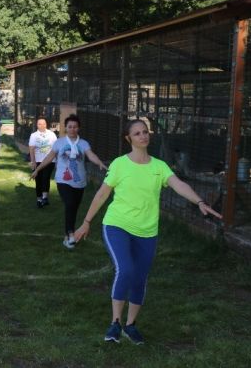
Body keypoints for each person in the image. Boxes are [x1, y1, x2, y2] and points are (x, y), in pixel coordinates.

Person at [74, 119, 222, 345]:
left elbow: (179, 185)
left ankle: (130, 325)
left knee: (140, 277)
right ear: (129, 139)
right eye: (137, 133)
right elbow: (102, 194)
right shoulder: (120, 164)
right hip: (117, 224)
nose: (143, 136)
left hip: (147, 231)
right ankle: (115, 322)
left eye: (145, 132)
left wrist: (199, 201)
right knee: (126, 269)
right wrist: (86, 222)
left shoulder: (159, 167)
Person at [31, 114, 107, 248]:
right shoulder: (59, 142)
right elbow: (49, 157)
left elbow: (91, 155)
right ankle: (70, 234)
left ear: (79, 128)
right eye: (69, 126)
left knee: (74, 208)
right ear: (65, 128)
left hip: (80, 182)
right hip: (63, 180)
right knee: (70, 204)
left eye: (75, 127)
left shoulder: (83, 143)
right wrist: (38, 169)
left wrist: (99, 162)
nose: (72, 129)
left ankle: (67, 235)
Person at [28, 116, 57, 208]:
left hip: (50, 160)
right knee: (38, 180)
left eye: (43, 123)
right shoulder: (34, 135)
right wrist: (33, 162)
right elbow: (31, 149)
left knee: (46, 177)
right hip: (38, 160)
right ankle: (39, 199)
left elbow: (56, 147)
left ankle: (45, 197)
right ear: (37, 125)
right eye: (40, 124)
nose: (42, 125)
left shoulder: (51, 134)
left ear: (46, 124)